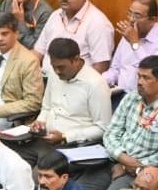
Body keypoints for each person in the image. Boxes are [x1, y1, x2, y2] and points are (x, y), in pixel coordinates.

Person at [18, 37, 109, 166]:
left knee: (37, 176)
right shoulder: (54, 74)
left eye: (61, 67)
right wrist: (40, 123)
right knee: (11, 161)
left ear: (76, 60)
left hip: (72, 147)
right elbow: (46, 108)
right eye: (54, 67)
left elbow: (102, 128)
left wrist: (66, 136)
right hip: (44, 140)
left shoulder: (95, 84)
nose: (57, 72)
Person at [100, 55, 158, 190]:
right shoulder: (131, 98)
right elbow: (111, 133)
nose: (140, 82)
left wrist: (133, 166)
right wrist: (122, 158)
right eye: (139, 76)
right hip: (113, 159)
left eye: (146, 78)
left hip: (138, 173)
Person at [0, 12, 45, 129]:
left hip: (6, 115)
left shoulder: (29, 61)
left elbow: (33, 102)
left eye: (5, 34)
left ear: (16, 34)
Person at [102, 0, 158, 96]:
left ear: (153, 19)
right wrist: (99, 82)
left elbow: (153, 71)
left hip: (150, 97)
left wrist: (135, 43)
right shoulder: (128, 34)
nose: (131, 19)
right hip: (121, 94)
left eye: (137, 16)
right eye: (129, 13)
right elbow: (115, 69)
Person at [32, 0, 113, 75]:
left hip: (76, 86)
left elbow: (101, 67)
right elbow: (38, 53)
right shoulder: (55, 15)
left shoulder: (98, 23)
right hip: (45, 81)